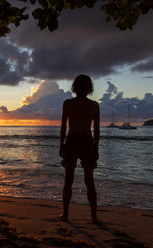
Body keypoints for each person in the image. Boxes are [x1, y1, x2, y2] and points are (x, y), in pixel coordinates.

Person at [59, 74, 100, 224]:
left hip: (72, 141)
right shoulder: (94, 105)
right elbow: (96, 131)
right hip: (87, 142)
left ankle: (65, 214)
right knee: (89, 181)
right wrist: (96, 148)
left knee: (68, 180)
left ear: (75, 87)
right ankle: (94, 216)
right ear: (89, 88)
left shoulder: (68, 103)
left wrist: (61, 145)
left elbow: (63, 127)